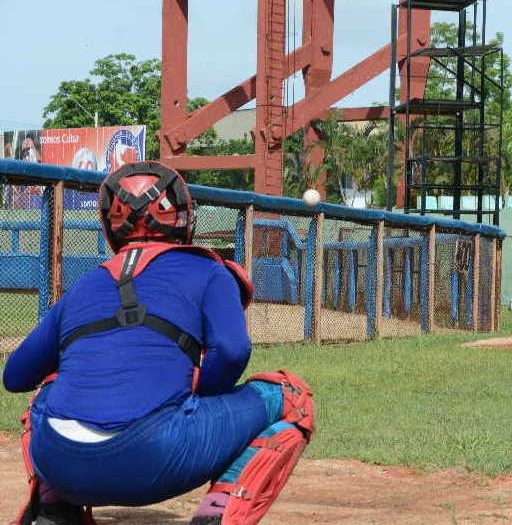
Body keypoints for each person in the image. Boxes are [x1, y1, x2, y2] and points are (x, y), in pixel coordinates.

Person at [3, 161, 315, 525]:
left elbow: (15, 376)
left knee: (45, 394)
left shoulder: (84, 285)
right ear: (183, 217)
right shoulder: (210, 270)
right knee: (293, 397)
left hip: (61, 463)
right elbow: (232, 352)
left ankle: (54, 508)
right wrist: (198, 391)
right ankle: (219, 513)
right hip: (156, 457)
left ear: (110, 224)